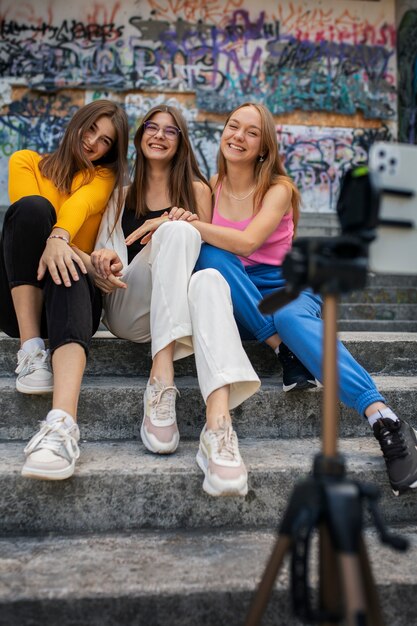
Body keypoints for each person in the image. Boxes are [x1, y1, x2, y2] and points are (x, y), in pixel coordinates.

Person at [170, 101, 415, 497]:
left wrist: (191, 223)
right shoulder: (208, 188)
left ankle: (383, 418)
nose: (238, 136)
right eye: (234, 127)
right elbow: (208, 245)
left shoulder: (279, 188)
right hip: (237, 289)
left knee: (290, 317)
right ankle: (284, 350)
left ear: (264, 147)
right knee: (211, 256)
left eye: (252, 132)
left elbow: (248, 241)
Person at [92, 104, 260, 497]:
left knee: (208, 274)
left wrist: (176, 223)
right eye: (153, 127)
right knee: (176, 230)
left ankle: (218, 428)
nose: (160, 136)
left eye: (171, 131)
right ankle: (160, 378)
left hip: (175, 309)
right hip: (127, 306)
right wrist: (103, 263)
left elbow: (205, 257)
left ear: (181, 142)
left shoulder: (198, 191)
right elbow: (102, 263)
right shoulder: (119, 196)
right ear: (139, 137)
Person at [0, 99, 129, 480]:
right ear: (77, 124)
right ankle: (31, 350)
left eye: (105, 141)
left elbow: (81, 203)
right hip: (20, 301)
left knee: (69, 267)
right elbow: (32, 218)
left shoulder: (103, 179)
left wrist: (62, 241)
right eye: (91, 130)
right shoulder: (26, 161)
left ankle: (62, 424)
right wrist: (69, 245)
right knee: (32, 210)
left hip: (71, 306)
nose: (93, 143)